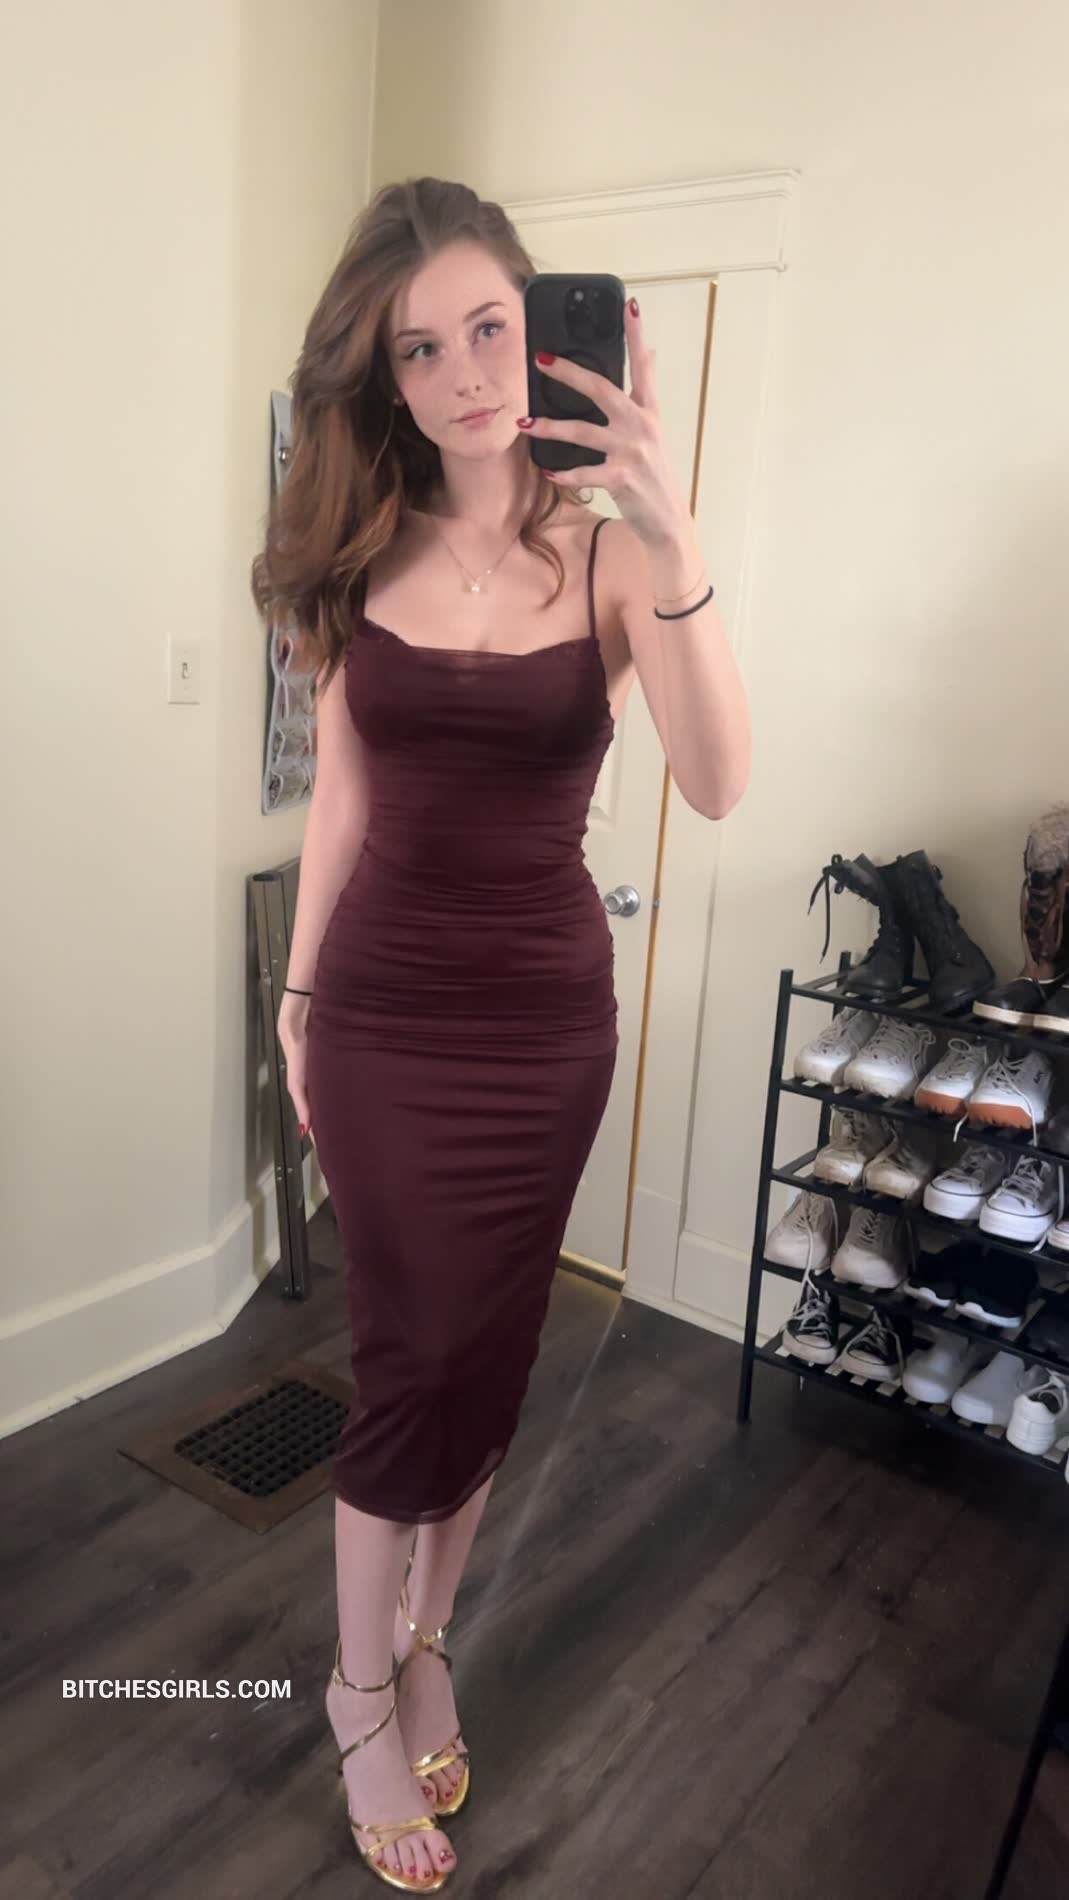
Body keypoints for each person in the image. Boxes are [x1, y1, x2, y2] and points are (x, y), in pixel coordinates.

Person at [250, 175, 750, 1892]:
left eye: (490, 328)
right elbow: (340, 802)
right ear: (382, 377)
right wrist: (296, 1005)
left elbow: (716, 782)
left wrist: (672, 535)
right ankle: (355, 1691)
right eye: (421, 347)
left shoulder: (611, 557)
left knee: (489, 1356)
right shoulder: (361, 557)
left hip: (542, 1030)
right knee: (408, 1361)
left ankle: (428, 1640)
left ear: (541, 330)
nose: (465, 373)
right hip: (379, 1020)